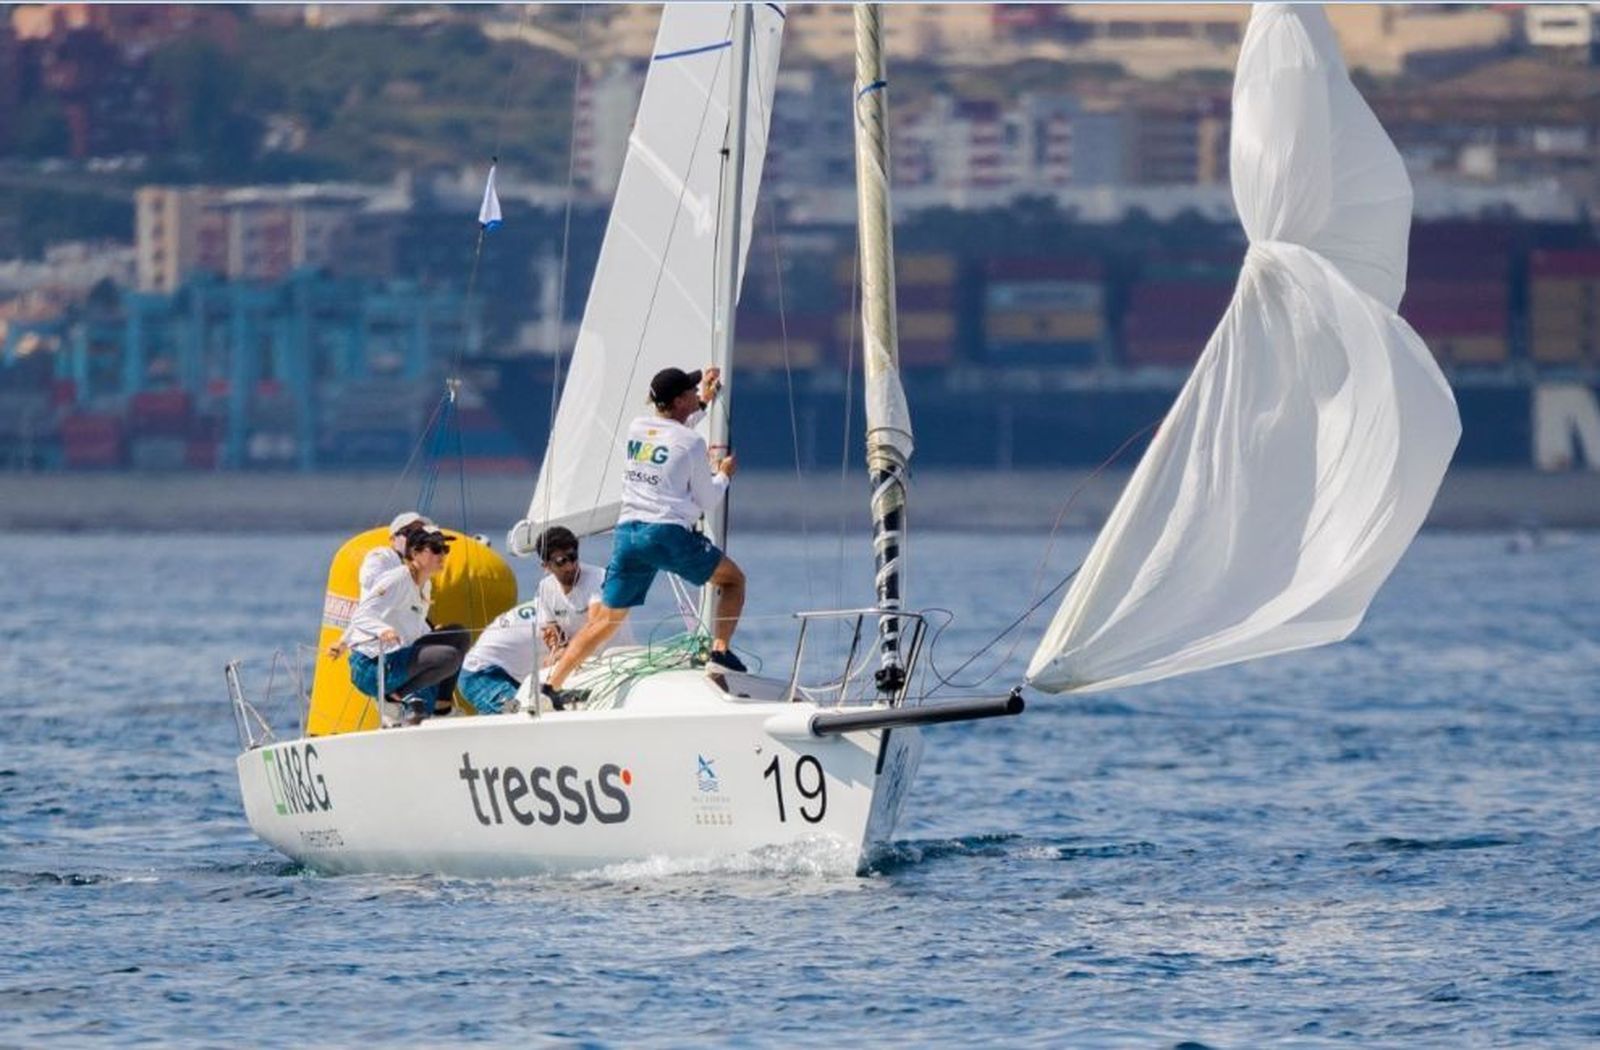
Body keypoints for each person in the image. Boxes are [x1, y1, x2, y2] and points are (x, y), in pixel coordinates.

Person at [544, 365, 746, 698]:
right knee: (733, 580)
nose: (698, 393)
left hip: (628, 535)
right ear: (679, 400)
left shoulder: (638, 427)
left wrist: (704, 403)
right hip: (666, 534)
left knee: (604, 620)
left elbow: (672, 439)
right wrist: (723, 474)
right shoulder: (692, 443)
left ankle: (552, 683)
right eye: (692, 392)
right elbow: (708, 498)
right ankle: (720, 651)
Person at [458, 526, 631, 714]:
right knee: (518, 713)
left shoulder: (598, 579)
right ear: (546, 566)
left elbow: (595, 623)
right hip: (482, 673)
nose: (570, 566)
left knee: (531, 708)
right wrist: (558, 648)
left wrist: (562, 652)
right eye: (561, 561)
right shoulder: (545, 588)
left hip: (613, 659)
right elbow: (551, 630)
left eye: (573, 557)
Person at [332, 529, 463, 726]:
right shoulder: (398, 578)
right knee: (448, 656)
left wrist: (432, 633)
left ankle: (440, 707)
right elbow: (362, 614)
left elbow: (412, 627)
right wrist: (382, 630)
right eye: (435, 549)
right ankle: (394, 697)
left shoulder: (424, 586)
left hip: (398, 657)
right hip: (372, 665)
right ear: (415, 553)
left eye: (445, 549)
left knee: (458, 636)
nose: (442, 555)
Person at [361, 512, 435, 596]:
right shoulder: (380, 557)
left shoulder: (424, 579)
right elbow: (372, 585)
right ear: (393, 538)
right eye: (409, 532)